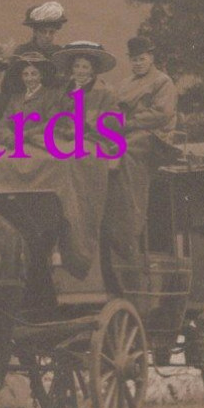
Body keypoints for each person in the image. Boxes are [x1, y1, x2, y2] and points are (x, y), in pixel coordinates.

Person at [52, 40, 139, 291]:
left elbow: (111, 124)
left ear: (93, 70)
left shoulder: (105, 92)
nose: (80, 71)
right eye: (77, 66)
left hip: (96, 142)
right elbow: (53, 117)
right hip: (64, 138)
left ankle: (78, 233)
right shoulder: (63, 91)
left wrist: (84, 126)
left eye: (85, 66)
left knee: (69, 157)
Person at [113, 35, 180, 257]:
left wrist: (128, 123)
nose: (138, 63)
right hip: (130, 133)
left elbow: (161, 114)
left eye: (142, 59)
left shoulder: (163, 82)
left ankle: (134, 219)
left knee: (129, 149)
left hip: (156, 138)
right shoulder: (125, 84)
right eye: (134, 60)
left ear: (150, 58)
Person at [8, 2, 68, 95]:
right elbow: (11, 83)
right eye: (43, 32)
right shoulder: (22, 51)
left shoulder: (59, 53)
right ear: (35, 32)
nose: (47, 36)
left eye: (51, 32)